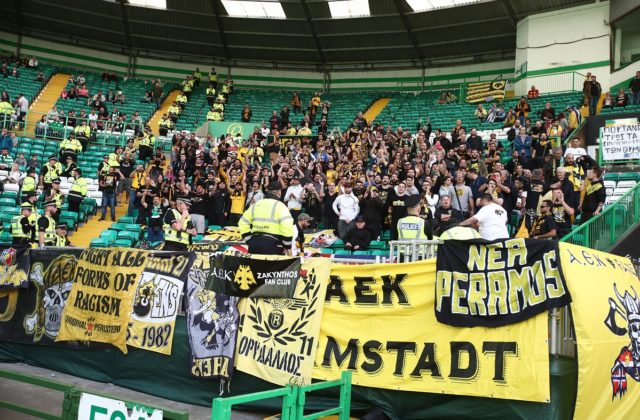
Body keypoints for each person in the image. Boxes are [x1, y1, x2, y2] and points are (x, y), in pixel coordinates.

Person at [238, 181, 294, 255]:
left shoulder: (257, 204)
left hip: (254, 243)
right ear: (279, 192)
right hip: (273, 245)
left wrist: (249, 240)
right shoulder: (281, 206)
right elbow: (287, 225)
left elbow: (242, 222)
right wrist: (286, 245)